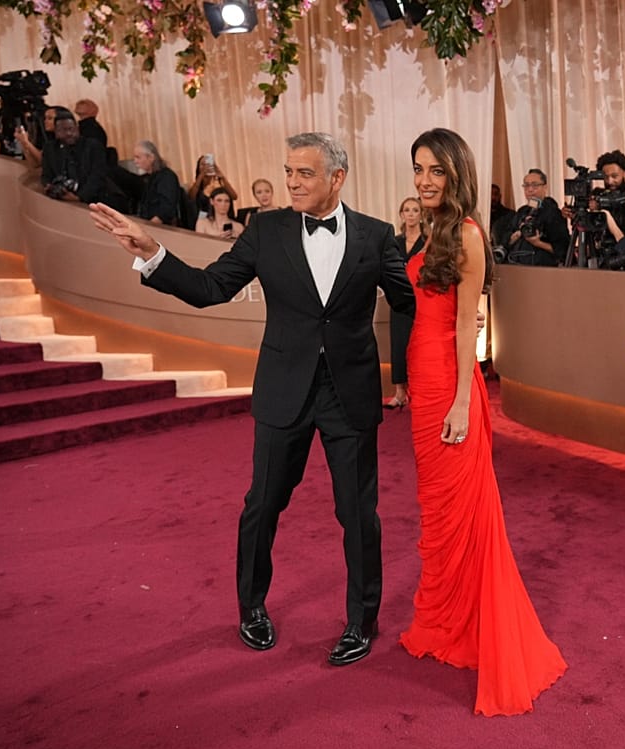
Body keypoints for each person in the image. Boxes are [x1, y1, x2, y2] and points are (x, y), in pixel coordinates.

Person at [87, 132, 417, 667]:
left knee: (359, 514)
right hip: (283, 392)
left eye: (304, 173)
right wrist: (153, 253)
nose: (291, 182)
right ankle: (251, 609)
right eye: (288, 171)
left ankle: (362, 621)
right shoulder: (265, 229)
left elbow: (410, 304)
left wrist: (455, 317)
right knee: (262, 506)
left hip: (350, 395)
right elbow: (210, 287)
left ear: (337, 178)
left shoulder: (376, 237)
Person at [398, 127, 567, 716]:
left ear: (457, 174)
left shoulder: (467, 234)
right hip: (423, 382)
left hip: (450, 383)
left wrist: (463, 403)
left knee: (461, 510)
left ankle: (474, 629)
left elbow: (468, 325)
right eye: (418, 168)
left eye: (436, 171)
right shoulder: (428, 230)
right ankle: (446, 622)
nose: (424, 180)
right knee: (437, 509)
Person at [384, 195, 426, 410]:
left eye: (415, 210)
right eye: (407, 210)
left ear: (421, 215)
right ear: (401, 214)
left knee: (419, 347)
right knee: (399, 346)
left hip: (423, 301)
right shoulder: (394, 241)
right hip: (399, 300)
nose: (410, 214)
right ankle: (400, 392)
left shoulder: (428, 242)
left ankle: (418, 393)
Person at [114, 139, 182, 226]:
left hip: (161, 229)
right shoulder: (149, 178)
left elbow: (166, 209)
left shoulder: (166, 177)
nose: (135, 161)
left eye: (138, 157)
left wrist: (149, 227)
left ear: (151, 158)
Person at [188, 152, 239, 219]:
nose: (206, 167)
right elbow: (191, 197)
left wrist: (222, 177)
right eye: (202, 164)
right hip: (204, 217)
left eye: (208, 164)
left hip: (223, 217)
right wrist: (201, 175)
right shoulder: (196, 184)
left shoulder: (219, 182)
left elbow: (234, 196)